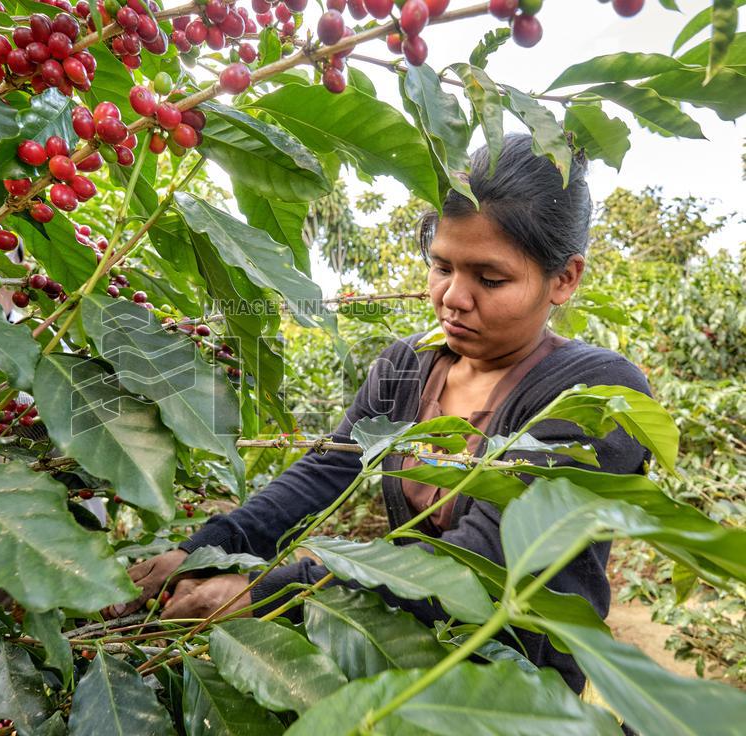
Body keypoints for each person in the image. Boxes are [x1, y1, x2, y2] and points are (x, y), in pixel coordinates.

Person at [109, 134, 655, 695]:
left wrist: (267, 591)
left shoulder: (595, 393)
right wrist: (205, 548)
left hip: (520, 691)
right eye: (441, 266)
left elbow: (486, 556)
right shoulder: (406, 366)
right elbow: (326, 472)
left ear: (564, 278)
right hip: (402, 659)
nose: (452, 298)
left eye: (490, 279)